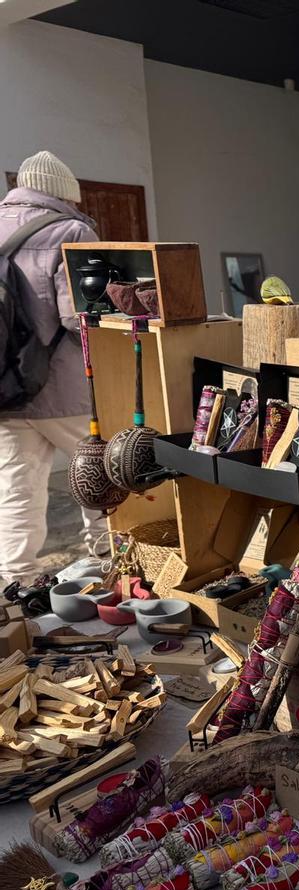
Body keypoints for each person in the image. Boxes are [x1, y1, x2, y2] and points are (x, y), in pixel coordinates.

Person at [0, 151, 106, 584]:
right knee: (98, 476)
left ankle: (15, 585)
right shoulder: (72, 231)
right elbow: (79, 316)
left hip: (6, 389)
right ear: (65, 193)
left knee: (16, 493)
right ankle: (109, 564)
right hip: (63, 389)